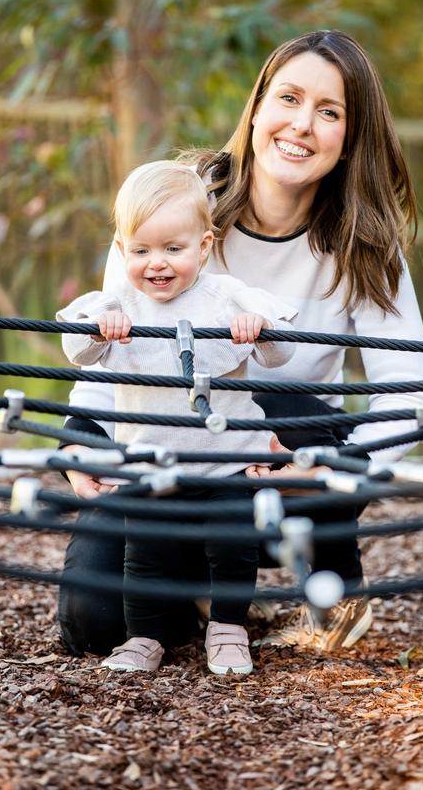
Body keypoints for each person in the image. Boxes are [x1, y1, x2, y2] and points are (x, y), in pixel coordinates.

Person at [59, 29, 423, 658]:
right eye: (288, 98)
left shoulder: (364, 241)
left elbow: (410, 391)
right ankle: (202, 586)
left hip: (282, 452)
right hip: (166, 444)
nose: (302, 125)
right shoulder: (178, 203)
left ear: (350, 139)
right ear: (257, 108)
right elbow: (115, 341)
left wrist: (334, 474)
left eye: (329, 111)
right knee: (95, 624)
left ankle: (325, 591)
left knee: (283, 407)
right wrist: (83, 438)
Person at [57, 160, 296, 674]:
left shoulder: (226, 297)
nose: (156, 263)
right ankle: (145, 637)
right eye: (141, 250)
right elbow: (76, 350)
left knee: (233, 547)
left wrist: (260, 328)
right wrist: (98, 329)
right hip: (149, 464)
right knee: (145, 556)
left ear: (204, 247)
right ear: (122, 252)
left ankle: (229, 629)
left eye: (173, 249)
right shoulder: (116, 303)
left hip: (225, 463)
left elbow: (280, 354)